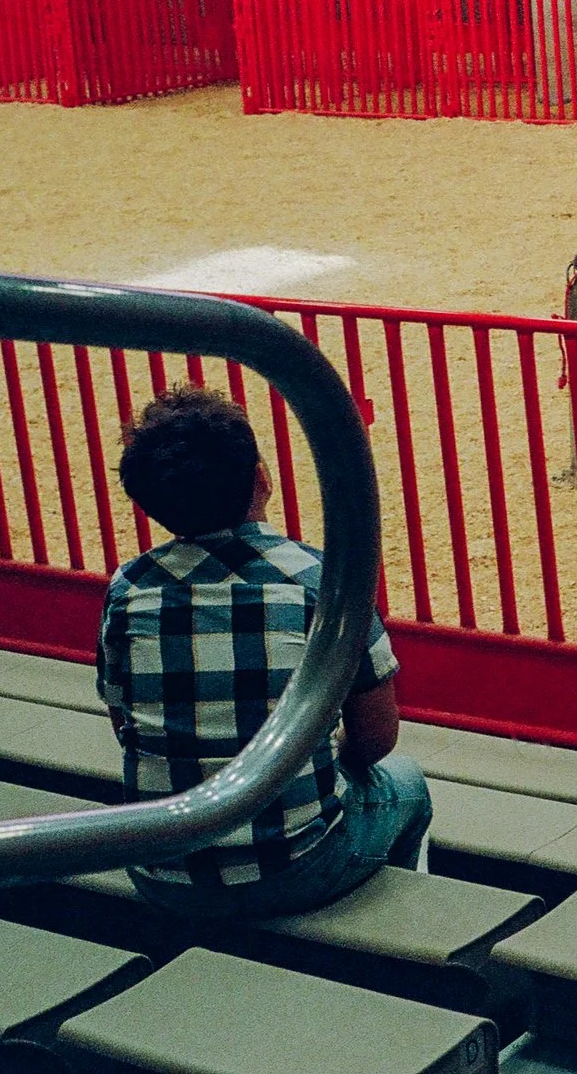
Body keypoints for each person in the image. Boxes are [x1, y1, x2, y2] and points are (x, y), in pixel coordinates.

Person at [98, 386, 429, 919]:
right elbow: (376, 737)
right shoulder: (320, 579)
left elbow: (123, 722)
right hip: (295, 869)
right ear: (262, 477)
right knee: (408, 787)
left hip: (161, 870)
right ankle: (395, 920)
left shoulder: (129, 588)